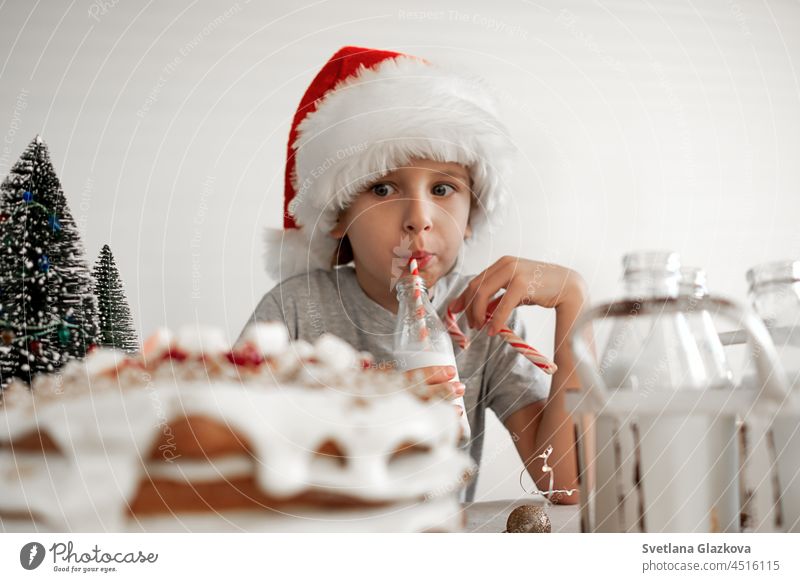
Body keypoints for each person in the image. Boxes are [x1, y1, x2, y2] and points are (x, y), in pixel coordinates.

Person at [239, 46, 590, 504]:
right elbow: (236, 467)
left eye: (443, 188)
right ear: (338, 215)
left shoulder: (483, 318)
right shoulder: (294, 313)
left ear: (471, 215)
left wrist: (574, 307)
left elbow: (566, 484)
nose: (418, 218)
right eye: (382, 188)